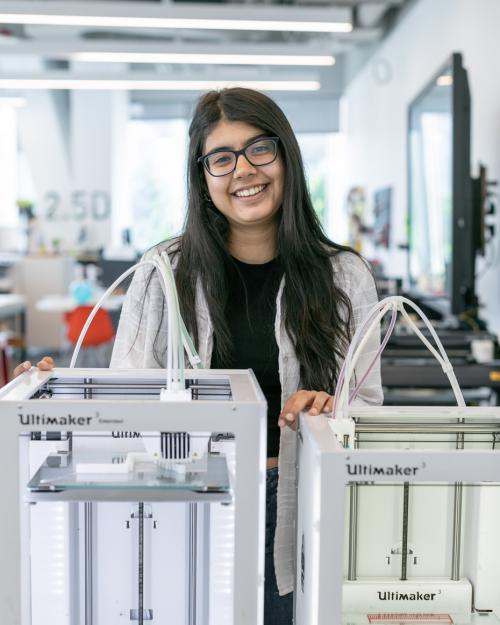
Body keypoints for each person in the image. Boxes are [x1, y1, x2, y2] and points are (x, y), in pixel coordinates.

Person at [15, 87, 382, 624]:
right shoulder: (163, 273)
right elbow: (125, 406)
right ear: (202, 175)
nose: (244, 170)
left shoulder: (344, 276)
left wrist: (331, 409)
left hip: (307, 506)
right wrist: (53, 399)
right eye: (221, 158)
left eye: (260, 148)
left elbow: (369, 410)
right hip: (187, 500)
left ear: (287, 156)